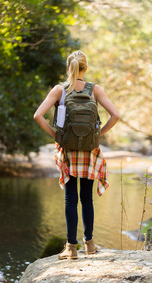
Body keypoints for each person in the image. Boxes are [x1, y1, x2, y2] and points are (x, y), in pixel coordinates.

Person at [34, 50, 120, 259]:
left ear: (68, 67)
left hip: (69, 150)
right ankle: (90, 245)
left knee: (70, 199)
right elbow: (116, 115)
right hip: (90, 151)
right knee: (87, 198)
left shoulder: (59, 90)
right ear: (85, 68)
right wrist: (98, 134)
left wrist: (57, 136)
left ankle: (71, 248)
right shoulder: (95, 90)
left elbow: (38, 115)